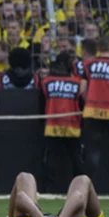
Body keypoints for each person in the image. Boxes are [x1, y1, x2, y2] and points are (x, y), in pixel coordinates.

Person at [79, 36, 109, 189]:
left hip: (92, 112)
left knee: (92, 152)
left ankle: (89, 188)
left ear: (97, 47)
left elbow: (82, 90)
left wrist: (90, 103)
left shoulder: (88, 65)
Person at [41, 52, 85, 193]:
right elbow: (82, 103)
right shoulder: (77, 83)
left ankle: (50, 189)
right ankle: (80, 189)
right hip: (72, 126)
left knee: (51, 159)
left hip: (52, 127)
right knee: (76, 159)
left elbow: (41, 105)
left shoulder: (46, 82)